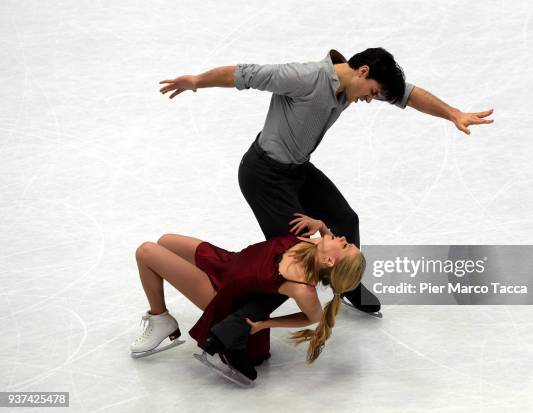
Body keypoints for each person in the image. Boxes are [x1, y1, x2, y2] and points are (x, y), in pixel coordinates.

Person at [157, 47, 494, 379]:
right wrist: (196, 81)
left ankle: (346, 283)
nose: (369, 100)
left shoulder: (351, 85)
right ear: (362, 72)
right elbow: (242, 74)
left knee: (345, 220)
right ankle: (228, 335)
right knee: (292, 263)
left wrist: (453, 113)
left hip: (298, 170)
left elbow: (409, 94)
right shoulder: (305, 77)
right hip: (265, 176)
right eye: (372, 92)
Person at [130, 214, 365, 385]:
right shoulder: (315, 244)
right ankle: (161, 316)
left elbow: (313, 317)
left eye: (344, 244)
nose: (341, 237)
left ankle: (161, 319)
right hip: (226, 262)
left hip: (219, 293)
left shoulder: (301, 287)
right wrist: (322, 226)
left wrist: (265, 324)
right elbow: (328, 240)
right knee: (165, 241)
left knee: (146, 251)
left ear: (330, 262)